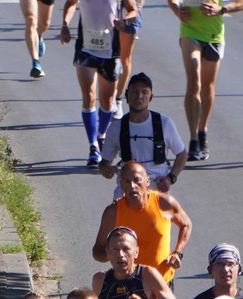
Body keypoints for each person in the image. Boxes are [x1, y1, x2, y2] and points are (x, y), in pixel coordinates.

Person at [171, 0, 243, 161]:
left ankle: (202, 130)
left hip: (214, 36)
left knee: (207, 87)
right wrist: (176, 9)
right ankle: (193, 138)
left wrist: (222, 9)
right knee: (194, 82)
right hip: (190, 32)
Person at [88, 162, 191, 274]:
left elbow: (186, 225)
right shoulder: (113, 212)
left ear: (147, 181)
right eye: (127, 181)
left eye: (137, 180)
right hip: (128, 282)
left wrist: (178, 253)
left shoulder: (164, 203)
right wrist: (114, 253)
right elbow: (97, 252)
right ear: (121, 185)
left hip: (162, 283)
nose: (132, 186)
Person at [61, 0, 131, 164]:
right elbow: (70, 3)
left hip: (111, 51)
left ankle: (101, 137)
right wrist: (64, 24)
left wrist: (125, 21)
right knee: (89, 96)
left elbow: (133, 10)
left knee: (107, 101)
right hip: (85, 48)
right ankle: (93, 146)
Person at [98, 72, 188, 190]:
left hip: (156, 188)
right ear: (126, 95)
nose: (139, 96)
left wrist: (171, 178)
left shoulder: (164, 123)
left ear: (151, 97)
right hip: (128, 189)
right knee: (112, 209)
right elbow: (105, 161)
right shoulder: (116, 127)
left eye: (144, 92)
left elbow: (182, 154)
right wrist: (105, 168)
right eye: (134, 91)